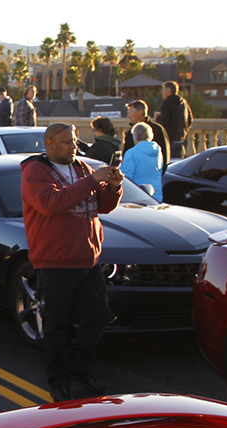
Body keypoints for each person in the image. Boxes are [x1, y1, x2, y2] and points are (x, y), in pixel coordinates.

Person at [21, 122, 123, 402]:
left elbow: (102, 206)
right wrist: (91, 181)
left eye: (75, 141)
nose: (73, 147)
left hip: (87, 259)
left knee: (98, 315)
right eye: (67, 142)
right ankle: (59, 380)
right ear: (50, 144)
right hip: (54, 261)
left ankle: (81, 367)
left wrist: (113, 186)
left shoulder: (81, 168)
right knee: (57, 325)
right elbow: (51, 204)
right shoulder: (35, 171)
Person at [122, 100, 170, 173]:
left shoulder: (158, 130)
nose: (128, 116)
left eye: (130, 113)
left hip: (144, 176)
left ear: (140, 112)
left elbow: (165, 154)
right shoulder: (130, 132)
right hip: (149, 177)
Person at [122, 122, 164, 201]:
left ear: (135, 135)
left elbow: (126, 177)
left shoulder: (131, 153)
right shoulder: (158, 150)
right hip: (156, 196)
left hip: (137, 196)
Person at [156, 81, 193, 159]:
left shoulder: (166, 103)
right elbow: (190, 119)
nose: (162, 92)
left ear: (169, 91)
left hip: (169, 139)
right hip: (181, 138)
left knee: (169, 162)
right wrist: (184, 131)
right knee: (177, 162)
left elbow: (164, 121)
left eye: (164, 90)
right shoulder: (184, 102)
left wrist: (157, 117)